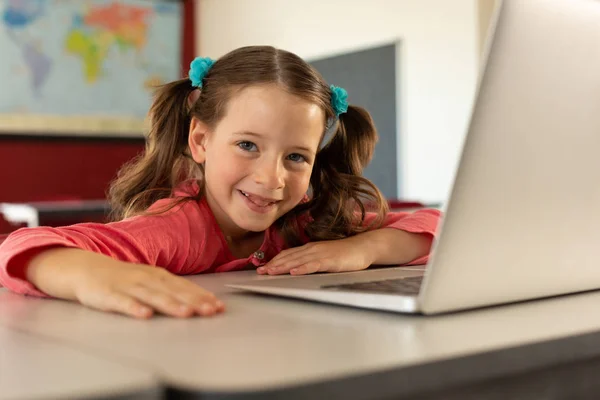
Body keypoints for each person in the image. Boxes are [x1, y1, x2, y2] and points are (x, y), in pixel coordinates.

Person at [0, 46, 441, 319]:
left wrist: (360, 249)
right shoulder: (182, 226)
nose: (271, 179)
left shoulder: (308, 220)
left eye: (295, 157)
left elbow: (439, 226)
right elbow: (19, 247)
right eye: (248, 145)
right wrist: (91, 274)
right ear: (201, 140)